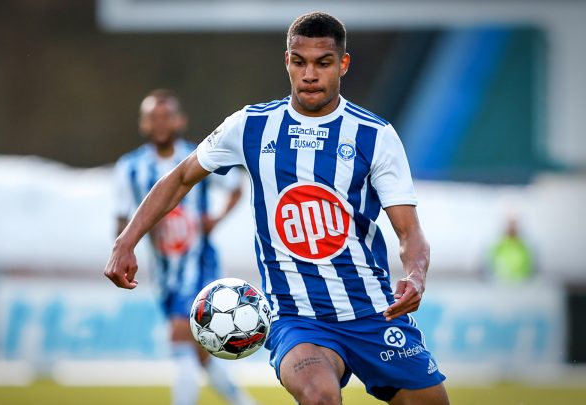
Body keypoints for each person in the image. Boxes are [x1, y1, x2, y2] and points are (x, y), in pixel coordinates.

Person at [106, 13, 449, 405]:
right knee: (320, 396)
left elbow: (409, 232)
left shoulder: (375, 136)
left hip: (373, 313)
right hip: (297, 317)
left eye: (323, 63)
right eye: (299, 62)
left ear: (343, 64)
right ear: (287, 61)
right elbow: (181, 177)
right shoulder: (251, 126)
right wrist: (126, 240)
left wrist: (417, 275)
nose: (310, 75)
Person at [112, 89, 254, 405]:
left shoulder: (198, 156)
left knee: (179, 336)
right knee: (200, 354)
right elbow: (121, 219)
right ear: (143, 124)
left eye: (166, 116)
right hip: (164, 272)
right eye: (152, 117)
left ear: (180, 121)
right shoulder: (130, 168)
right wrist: (125, 246)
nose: (160, 123)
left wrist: (215, 220)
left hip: (199, 263)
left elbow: (235, 187)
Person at [487, 216, 534, 283]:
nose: (512, 228)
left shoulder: (524, 247)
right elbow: (490, 265)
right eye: (509, 225)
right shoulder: (498, 246)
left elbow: (530, 267)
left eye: (514, 225)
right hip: (500, 283)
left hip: (521, 283)